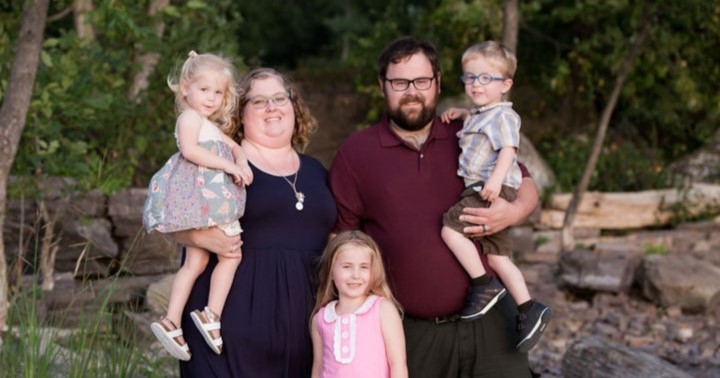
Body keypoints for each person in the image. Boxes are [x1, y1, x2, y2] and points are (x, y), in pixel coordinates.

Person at [329, 36, 541, 377]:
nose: (411, 91)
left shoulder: (470, 130)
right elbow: (341, 239)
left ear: (438, 83)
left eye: (422, 81)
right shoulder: (356, 153)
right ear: (382, 85)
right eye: (399, 82)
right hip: (412, 332)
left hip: (492, 325)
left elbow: (526, 185)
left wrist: (514, 212)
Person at [171, 67, 337, 377]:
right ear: (239, 113)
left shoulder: (317, 172)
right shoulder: (217, 163)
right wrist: (198, 237)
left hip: (303, 337)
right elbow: (169, 214)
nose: (272, 107)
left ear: (294, 105)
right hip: (227, 334)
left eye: (279, 98)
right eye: (258, 102)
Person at [439, 41, 551, 352]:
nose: (476, 84)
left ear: (506, 84)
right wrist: (463, 113)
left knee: (450, 230)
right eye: (470, 77)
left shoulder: (503, 116)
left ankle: (483, 286)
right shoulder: (481, 113)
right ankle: (529, 308)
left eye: (486, 78)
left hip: (490, 187)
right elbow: (479, 125)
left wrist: (495, 181)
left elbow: (508, 150)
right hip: (493, 187)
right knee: (498, 257)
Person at [143, 51, 252, 361]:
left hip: (207, 198)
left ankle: (172, 320)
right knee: (231, 254)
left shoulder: (208, 124)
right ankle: (210, 314)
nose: (212, 98)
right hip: (206, 198)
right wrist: (230, 168)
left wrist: (241, 159)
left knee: (196, 263)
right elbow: (190, 151)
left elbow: (234, 146)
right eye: (205, 90)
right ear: (186, 88)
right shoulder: (189, 118)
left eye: (218, 92)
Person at [310, 230, 408, 378]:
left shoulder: (382, 309)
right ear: (331, 271)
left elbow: (398, 364)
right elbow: (318, 368)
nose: (355, 275)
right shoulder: (321, 319)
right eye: (347, 266)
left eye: (363, 267)